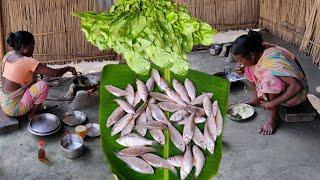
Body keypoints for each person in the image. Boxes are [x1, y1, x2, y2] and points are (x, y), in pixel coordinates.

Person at [231, 30, 308, 135]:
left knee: (269, 82)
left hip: (297, 94)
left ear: (251, 56)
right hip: (287, 84)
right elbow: (248, 65)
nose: (239, 64)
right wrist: (242, 67)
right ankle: (258, 99)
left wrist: (273, 103)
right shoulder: (259, 48)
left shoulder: (272, 62)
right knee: (248, 68)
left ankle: (274, 119)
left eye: (240, 60)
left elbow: (296, 86)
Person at [1, 31, 77, 120]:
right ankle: (33, 112)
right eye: (32, 46)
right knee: (43, 85)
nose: (33, 48)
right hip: (14, 109)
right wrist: (68, 68)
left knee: (33, 80)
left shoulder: (8, 55)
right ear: (24, 47)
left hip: (4, 101)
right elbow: (55, 73)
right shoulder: (27, 61)